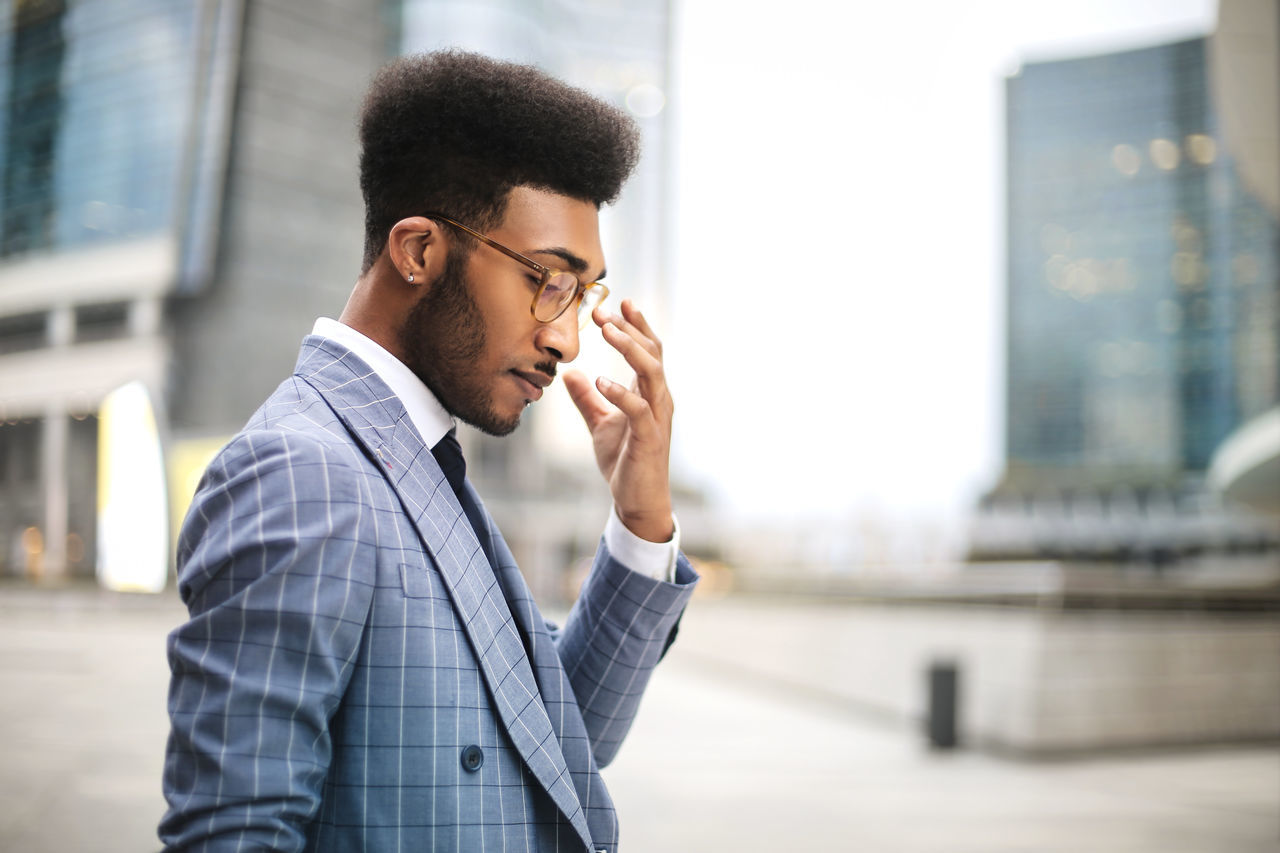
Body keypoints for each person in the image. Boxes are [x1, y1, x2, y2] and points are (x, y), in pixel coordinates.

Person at [159, 50, 697, 853]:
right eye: (546, 280)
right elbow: (233, 836)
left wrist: (640, 519)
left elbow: (556, 741)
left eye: (581, 293)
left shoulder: (420, 463)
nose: (567, 336)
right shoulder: (305, 474)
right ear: (418, 250)